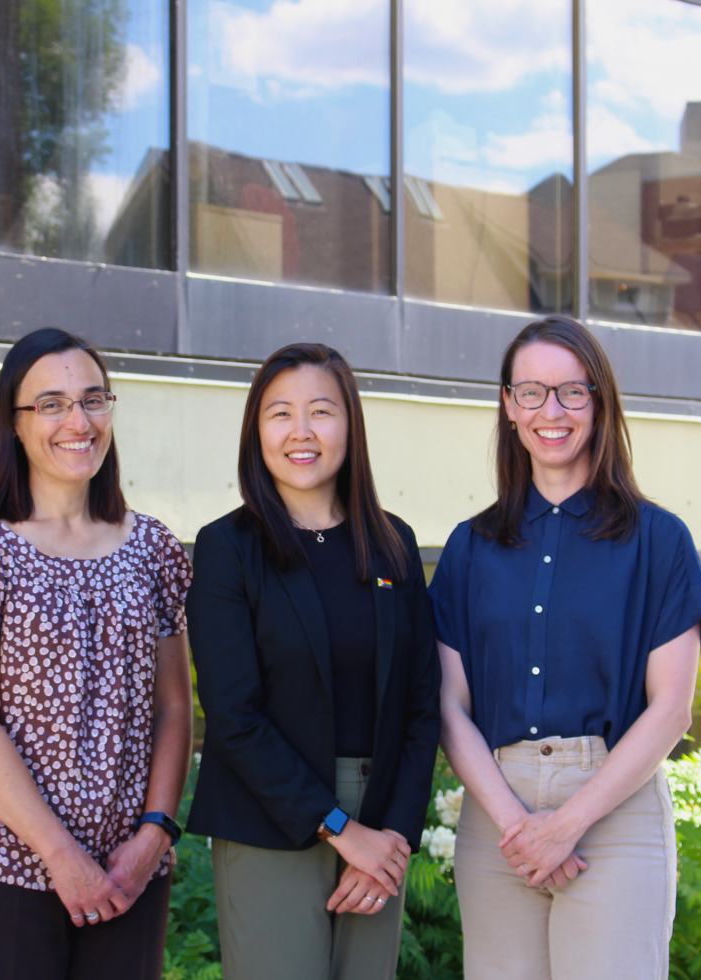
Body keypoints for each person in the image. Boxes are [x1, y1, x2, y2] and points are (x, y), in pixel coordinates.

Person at [431, 316, 701, 979]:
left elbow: (671, 709)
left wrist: (566, 823)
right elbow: (448, 705)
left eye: (571, 392)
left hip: (613, 806)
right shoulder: (470, 548)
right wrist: (519, 824)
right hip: (496, 814)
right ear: (508, 405)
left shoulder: (660, 541)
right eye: (531, 392)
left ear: (600, 401)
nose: (549, 411)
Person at [0, 327, 193, 980]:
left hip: (128, 875)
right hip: (1, 867)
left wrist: (155, 835)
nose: (77, 421)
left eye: (93, 399)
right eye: (50, 404)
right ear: (14, 425)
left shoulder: (155, 548)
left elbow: (174, 707)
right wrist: (61, 857)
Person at [186, 343, 441, 980]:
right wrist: (340, 829)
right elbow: (233, 716)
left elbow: (420, 705)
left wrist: (392, 837)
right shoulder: (227, 548)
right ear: (257, 432)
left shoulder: (394, 543)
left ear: (349, 426)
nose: (301, 432)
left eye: (321, 411)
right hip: (270, 816)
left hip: (379, 825)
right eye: (280, 414)